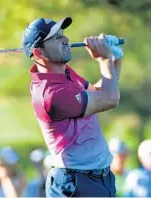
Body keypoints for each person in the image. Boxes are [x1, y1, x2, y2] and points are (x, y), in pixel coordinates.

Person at [22, 16, 124, 197]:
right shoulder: (51, 95)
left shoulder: (66, 73)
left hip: (101, 179)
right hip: (75, 184)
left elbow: (100, 92)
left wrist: (115, 59)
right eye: (56, 38)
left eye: (62, 34)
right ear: (39, 53)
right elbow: (110, 99)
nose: (66, 39)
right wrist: (104, 60)